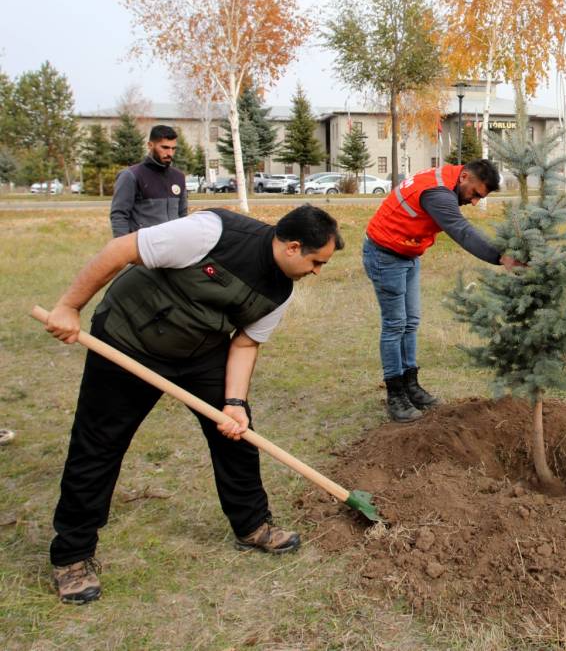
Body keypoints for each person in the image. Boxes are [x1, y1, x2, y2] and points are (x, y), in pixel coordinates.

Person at [42, 204, 345, 605]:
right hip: (128, 338)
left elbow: (244, 342)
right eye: (316, 262)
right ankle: (72, 556)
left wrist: (234, 402)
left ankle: (252, 525)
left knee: (237, 435)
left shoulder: (281, 291)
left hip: (200, 353)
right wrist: (68, 307)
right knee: (98, 444)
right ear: (292, 247)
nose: (317, 272)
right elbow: (121, 249)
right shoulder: (211, 233)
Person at [362, 160, 521, 423]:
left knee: (410, 322)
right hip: (385, 254)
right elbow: (462, 231)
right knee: (395, 324)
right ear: (465, 177)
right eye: (475, 194)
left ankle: (411, 384)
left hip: (408, 252)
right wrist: (501, 257)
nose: (473, 202)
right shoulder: (437, 193)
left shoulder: (448, 178)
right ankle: (396, 394)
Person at [110, 124, 188, 237]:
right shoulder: (131, 176)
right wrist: (124, 248)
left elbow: (182, 216)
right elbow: (119, 216)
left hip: (172, 249)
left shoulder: (179, 177)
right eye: (165, 147)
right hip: (142, 249)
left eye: (173, 148)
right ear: (150, 145)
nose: (170, 153)